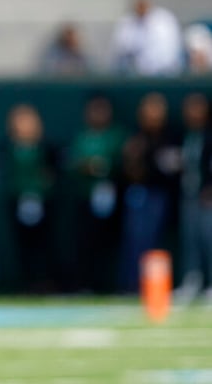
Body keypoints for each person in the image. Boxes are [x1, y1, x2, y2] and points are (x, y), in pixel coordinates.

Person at [0, 103, 59, 294]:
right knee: (22, 247)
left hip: (43, 203)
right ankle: (26, 284)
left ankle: (46, 283)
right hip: (17, 202)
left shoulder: (46, 147)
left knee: (44, 246)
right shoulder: (6, 148)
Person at [119, 92, 181, 293]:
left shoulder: (170, 137)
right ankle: (132, 285)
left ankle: (151, 287)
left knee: (153, 243)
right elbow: (129, 170)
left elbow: (172, 167)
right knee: (135, 241)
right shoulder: (135, 137)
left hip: (159, 195)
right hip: (137, 194)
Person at [65, 93, 127, 293]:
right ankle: (85, 285)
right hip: (87, 197)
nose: (99, 114)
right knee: (85, 243)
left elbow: (123, 161)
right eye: (94, 109)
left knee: (112, 245)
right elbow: (74, 162)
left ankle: (114, 285)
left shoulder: (117, 135)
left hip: (114, 198)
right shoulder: (82, 136)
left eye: (103, 109)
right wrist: (86, 166)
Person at [174, 92, 212, 304]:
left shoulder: (209, 135)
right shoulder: (183, 135)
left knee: (209, 239)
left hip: (207, 198)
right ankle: (192, 281)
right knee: (190, 240)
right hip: (188, 195)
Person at [111, 0, 183, 76]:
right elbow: (121, 51)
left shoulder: (164, 21)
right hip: (135, 75)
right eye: (139, 5)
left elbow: (170, 54)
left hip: (163, 74)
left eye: (143, 4)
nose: (141, 8)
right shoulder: (126, 23)